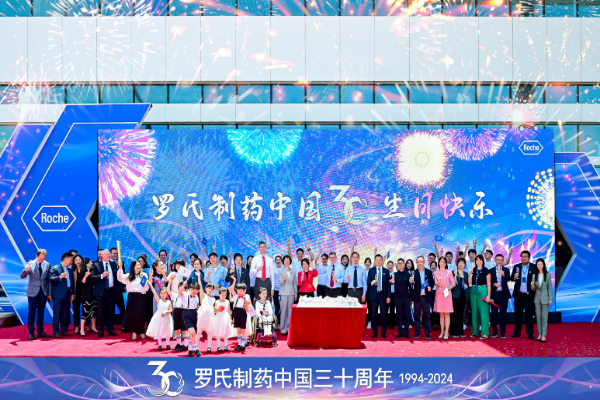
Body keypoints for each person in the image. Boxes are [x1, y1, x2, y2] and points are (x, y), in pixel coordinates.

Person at [21, 249, 51, 340]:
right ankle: (31, 332)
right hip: (32, 292)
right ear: (36, 256)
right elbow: (22, 276)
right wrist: (25, 270)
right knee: (32, 312)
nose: (42, 260)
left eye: (43, 259)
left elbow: (49, 280)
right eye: (40, 258)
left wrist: (49, 293)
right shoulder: (30, 264)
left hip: (43, 292)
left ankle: (40, 331)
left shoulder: (47, 264)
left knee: (41, 313)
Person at [117, 260, 149, 340]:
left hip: (141, 297)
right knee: (133, 315)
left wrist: (146, 282)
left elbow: (145, 288)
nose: (138, 266)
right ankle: (134, 332)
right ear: (133, 267)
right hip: (132, 297)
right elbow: (120, 278)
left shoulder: (143, 275)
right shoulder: (129, 276)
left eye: (139, 265)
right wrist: (120, 268)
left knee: (141, 315)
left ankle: (141, 332)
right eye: (136, 265)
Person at [90, 249, 119, 338]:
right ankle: (101, 331)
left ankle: (111, 330)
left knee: (111, 311)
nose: (109, 255)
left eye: (109, 254)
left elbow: (116, 277)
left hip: (111, 290)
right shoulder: (96, 264)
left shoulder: (113, 264)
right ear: (102, 255)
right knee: (101, 312)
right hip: (101, 292)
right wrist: (101, 276)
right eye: (107, 254)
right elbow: (91, 276)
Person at [510, 250, 537, 340]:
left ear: (529, 258)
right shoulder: (516, 266)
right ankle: (517, 332)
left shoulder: (534, 267)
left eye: (525, 256)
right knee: (518, 315)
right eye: (522, 256)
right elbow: (512, 279)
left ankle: (530, 333)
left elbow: (537, 280)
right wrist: (514, 277)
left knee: (529, 315)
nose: (524, 258)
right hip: (519, 295)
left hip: (529, 296)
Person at [49, 252, 74, 338]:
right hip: (58, 294)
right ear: (65, 259)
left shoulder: (70, 270)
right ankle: (56, 331)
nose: (71, 262)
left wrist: (72, 294)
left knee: (65, 313)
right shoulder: (55, 268)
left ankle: (64, 330)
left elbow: (72, 283)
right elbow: (51, 279)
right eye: (71, 260)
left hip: (68, 293)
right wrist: (60, 277)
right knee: (57, 313)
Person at [366, 254, 391, 338]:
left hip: (383, 295)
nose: (378, 262)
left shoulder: (386, 271)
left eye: (380, 260)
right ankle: (375, 332)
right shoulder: (371, 270)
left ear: (382, 261)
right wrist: (371, 282)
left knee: (384, 314)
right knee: (374, 315)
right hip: (374, 295)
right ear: (375, 261)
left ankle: (383, 332)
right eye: (377, 260)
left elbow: (388, 285)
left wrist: (388, 296)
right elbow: (368, 281)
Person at [468, 255, 492, 339]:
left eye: (480, 260)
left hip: (483, 291)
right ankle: (475, 332)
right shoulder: (473, 270)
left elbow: (489, 284)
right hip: (473, 291)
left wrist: (488, 296)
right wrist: (470, 273)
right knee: (474, 312)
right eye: (477, 260)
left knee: (483, 312)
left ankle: (484, 333)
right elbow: (469, 281)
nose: (478, 261)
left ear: (483, 261)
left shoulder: (486, 270)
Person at [411, 256, 434, 339]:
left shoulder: (428, 272)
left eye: (421, 262)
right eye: (418, 262)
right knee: (416, 316)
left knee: (427, 316)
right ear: (416, 263)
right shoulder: (414, 272)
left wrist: (430, 287)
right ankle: (417, 332)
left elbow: (432, 282)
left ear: (424, 262)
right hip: (417, 297)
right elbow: (411, 284)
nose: (419, 263)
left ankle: (427, 333)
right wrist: (411, 281)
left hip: (426, 297)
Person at [433, 257, 456, 340]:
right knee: (441, 314)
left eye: (444, 262)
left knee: (447, 313)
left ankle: (446, 332)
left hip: (447, 293)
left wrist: (447, 289)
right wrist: (438, 282)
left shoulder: (449, 272)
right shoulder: (435, 273)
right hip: (439, 293)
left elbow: (453, 284)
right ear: (438, 263)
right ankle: (442, 331)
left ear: (446, 264)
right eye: (441, 262)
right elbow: (436, 284)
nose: (442, 263)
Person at [146, 285, 174, 351]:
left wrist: (166, 312)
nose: (163, 295)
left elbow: (171, 310)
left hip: (166, 318)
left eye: (164, 293)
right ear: (160, 294)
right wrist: (151, 285)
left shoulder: (168, 302)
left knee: (167, 330)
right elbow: (154, 292)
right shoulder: (159, 300)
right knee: (159, 330)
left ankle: (167, 344)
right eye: (161, 293)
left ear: (167, 294)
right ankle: (160, 344)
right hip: (159, 317)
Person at [490, 254, 511, 338]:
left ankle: (502, 333)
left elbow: (509, 279)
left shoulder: (506, 270)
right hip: (494, 295)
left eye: (501, 260)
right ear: (495, 260)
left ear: (503, 261)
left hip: (503, 295)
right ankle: (494, 332)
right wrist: (494, 284)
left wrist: (504, 275)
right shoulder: (491, 270)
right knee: (494, 314)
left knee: (503, 314)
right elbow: (488, 282)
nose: (499, 261)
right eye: (498, 260)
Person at [179, 281, 201, 357]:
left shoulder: (196, 297)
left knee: (193, 333)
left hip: (194, 314)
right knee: (191, 332)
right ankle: (196, 349)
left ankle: (191, 350)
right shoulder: (185, 295)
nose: (195, 294)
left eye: (196, 292)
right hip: (187, 314)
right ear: (190, 289)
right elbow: (180, 292)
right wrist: (183, 285)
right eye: (194, 292)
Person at [391, 258, 412, 338]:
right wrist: (391, 282)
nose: (400, 265)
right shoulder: (394, 274)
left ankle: (406, 332)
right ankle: (400, 332)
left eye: (401, 263)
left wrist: (411, 297)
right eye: (398, 263)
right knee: (399, 316)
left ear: (404, 264)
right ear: (397, 265)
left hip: (406, 298)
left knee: (406, 316)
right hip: (397, 298)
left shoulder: (408, 275)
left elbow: (410, 287)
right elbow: (390, 282)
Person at [534, 258, 552, 343]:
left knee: (544, 318)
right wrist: (532, 285)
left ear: (543, 265)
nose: (539, 266)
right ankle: (539, 334)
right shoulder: (534, 275)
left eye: (541, 264)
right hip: (537, 299)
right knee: (538, 318)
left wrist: (550, 298)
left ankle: (543, 335)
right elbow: (533, 289)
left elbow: (549, 288)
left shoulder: (547, 275)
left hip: (545, 298)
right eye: (538, 265)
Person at [278, 255, 297, 336]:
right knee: (283, 312)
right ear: (283, 261)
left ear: (290, 261)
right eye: (285, 259)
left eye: (288, 259)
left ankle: (289, 329)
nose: (287, 261)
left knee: (290, 312)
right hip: (283, 293)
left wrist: (295, 294)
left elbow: (295, 283)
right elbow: (281, 283)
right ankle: (283, 329)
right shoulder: (280, 271)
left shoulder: (293, 270)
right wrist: (284, 279)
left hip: (291, 293)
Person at [230, 282, 251, 351]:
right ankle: (239, 344)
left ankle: (243, 345)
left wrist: (247, 306)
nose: (239, 292)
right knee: (238, 330)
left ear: (245, 290)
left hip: (243, 313)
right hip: (236, 313)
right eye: (238, 290)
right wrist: (234, 281)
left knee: (243, 330)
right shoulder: (236, 296)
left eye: (241, 290)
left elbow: (249, 306)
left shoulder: (246, 297)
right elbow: (232, 290)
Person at [167, 280, 188, 352]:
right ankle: (178, 344)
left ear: (186, 289)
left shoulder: (186, 295)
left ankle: (185, 345)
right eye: (179, 288)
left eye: (182, 288)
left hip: (183, 311)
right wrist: (170, 281)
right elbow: (168, 291)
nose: (180, 289)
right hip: (176, 311)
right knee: (177, 328)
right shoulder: (175, 295)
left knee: (185, 329)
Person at [450, 258, 468, 338]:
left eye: (462, 263)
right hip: (455, 294)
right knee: (454, 313)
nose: (461, 264)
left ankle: (460, 331)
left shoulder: (466, 274)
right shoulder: (453, 272)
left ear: (465, 265)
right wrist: (455, 276)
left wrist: (467, 286)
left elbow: (468, 283)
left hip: (463, 295)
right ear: (457, 264)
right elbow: (451, 283)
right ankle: (453, 331)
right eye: (459, 262)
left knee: (461, 313)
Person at [79, 258, 97, 336]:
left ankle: (93, 326)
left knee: (94, 311)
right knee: (86, 312)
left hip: (94, 294)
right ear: (86, 264)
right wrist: (85, 276)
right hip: (86, 295)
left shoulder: (93, 271)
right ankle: (82, 329)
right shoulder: (83, 272)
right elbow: (81, 283)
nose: (92, 263)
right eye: (90, 262)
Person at [109, 247, 126, 329]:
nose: (115, 255)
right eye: (114, 253)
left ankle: (124, 325)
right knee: (110, 309)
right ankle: (110, 326)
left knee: (122, 308)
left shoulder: (121, 263)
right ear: (110, 254)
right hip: (110, 290)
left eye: (117, 253)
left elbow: (123, 275)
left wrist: (124, 286)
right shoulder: (107, 263)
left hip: (119, 290)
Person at [197, 282, 216, 352]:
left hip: (210, 316)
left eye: (211, 289)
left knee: (209, 331)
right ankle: (195, 346)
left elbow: (214, 308)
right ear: (205, 289)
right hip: (202, 315)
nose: (210, 290)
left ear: (213, 290)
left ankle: (209, 347)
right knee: (199, 331)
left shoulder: (213, 299)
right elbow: (200, 285)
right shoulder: (203, 295)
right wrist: (199, 277)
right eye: (209, 288)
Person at [213, 287, 231, 352]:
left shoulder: (227, 301)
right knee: (218, 332)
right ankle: (219, 346)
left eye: (225, 295)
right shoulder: (217, 302)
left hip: (226, 317)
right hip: (219, 317)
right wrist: (218, 310)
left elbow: (229, 311)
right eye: (222, 295)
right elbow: (215, 311)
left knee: (226, 332)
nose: (224, 296)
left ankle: (226, 345)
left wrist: (230, 319)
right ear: (219, 294)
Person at [386, 260, 396, 330]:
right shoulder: (385, 274)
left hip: (393, 293)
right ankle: (386, 323)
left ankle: (392, 324)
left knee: (392, 309)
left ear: (393, 266)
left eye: (391, 265)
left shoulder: (395, 274)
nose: (390, 266)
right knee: (385, 309)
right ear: (387, 266)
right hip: (386, 294)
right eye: (388, 265)